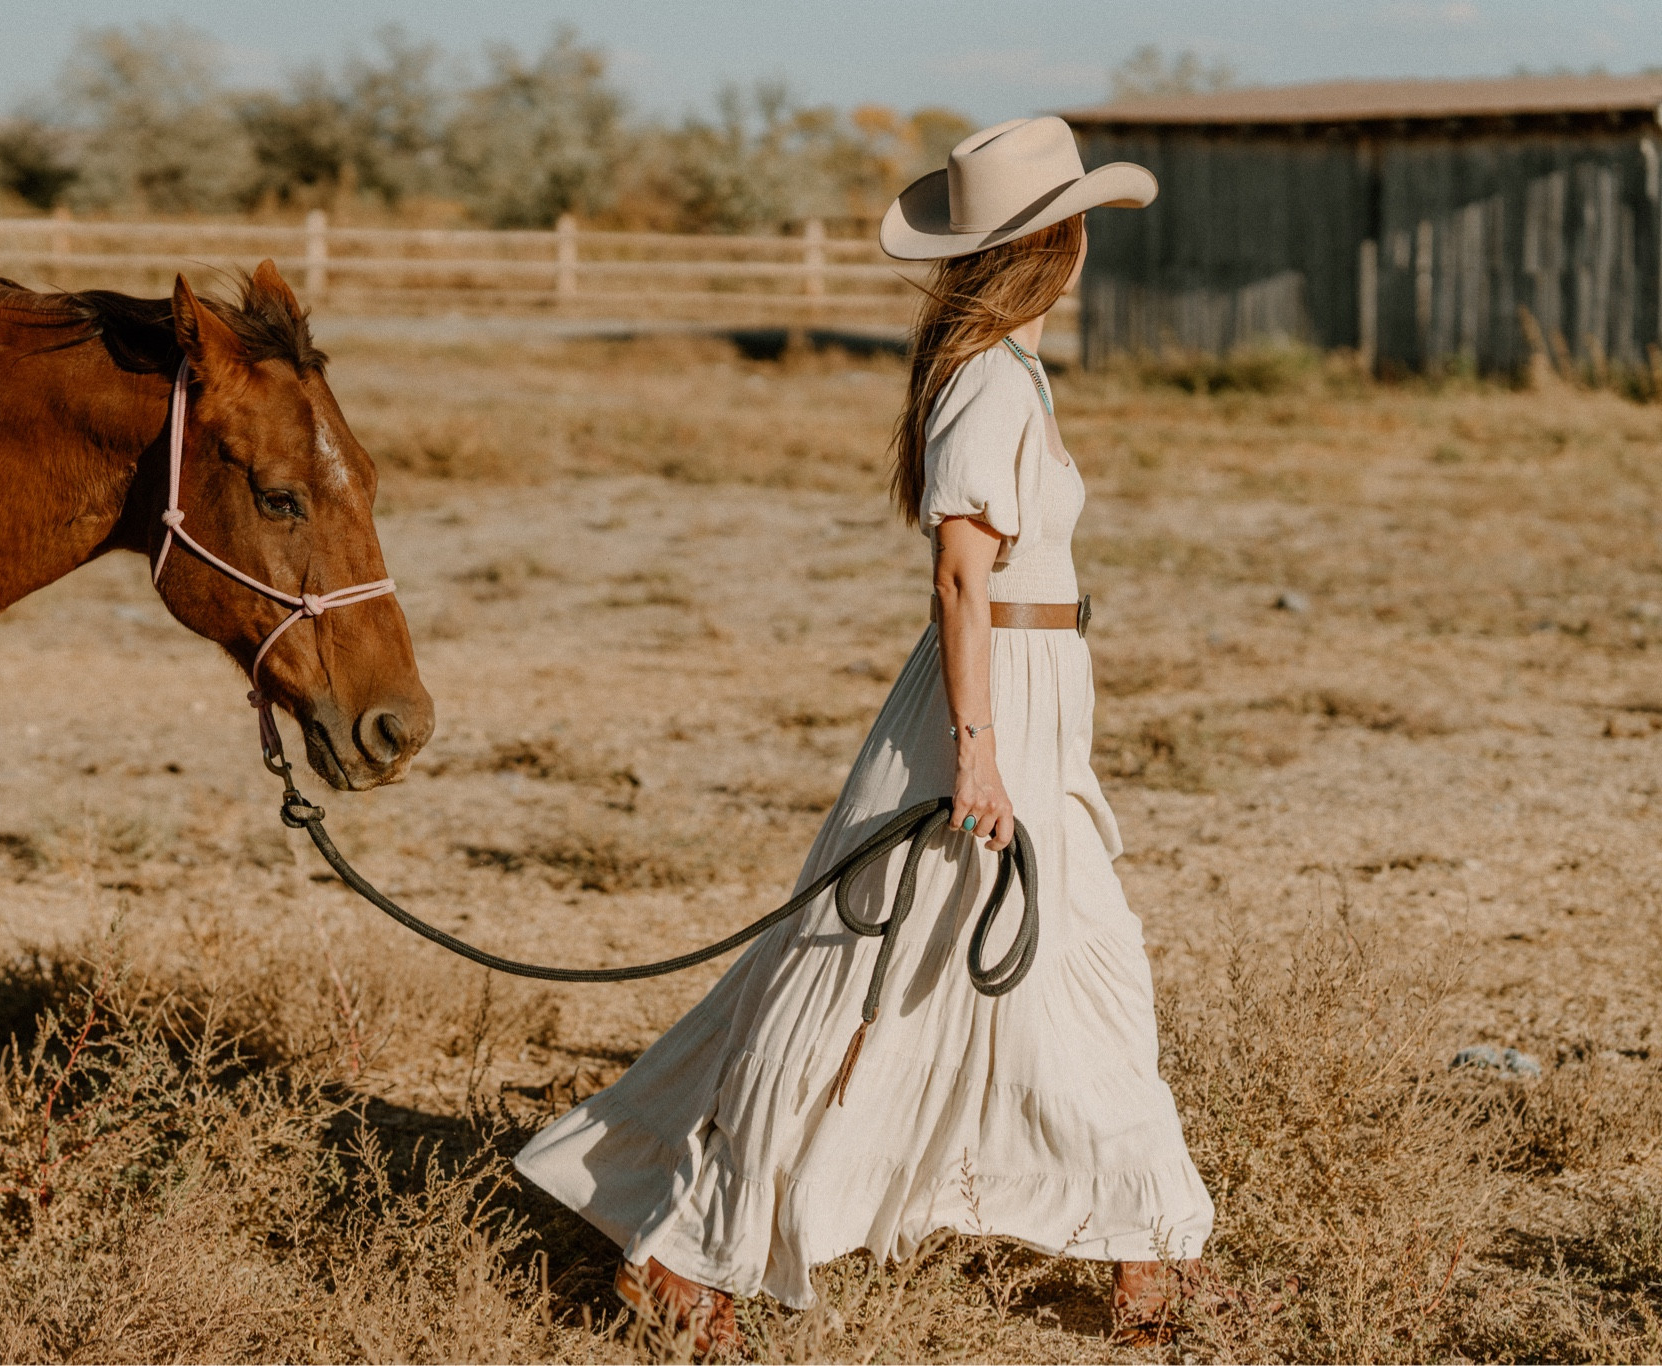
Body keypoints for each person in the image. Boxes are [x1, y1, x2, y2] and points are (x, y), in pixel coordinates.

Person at [514, 116, 1215, 1352]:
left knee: (1081, 962)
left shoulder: (1011, 371)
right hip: (988, 700)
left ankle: (1144, 1252)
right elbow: (959, 580)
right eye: (1076, 226)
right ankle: (685, 1251)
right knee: (854, 976)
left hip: (1034, 691)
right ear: (1051, 243)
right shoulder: (987, 380)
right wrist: (975, 749)